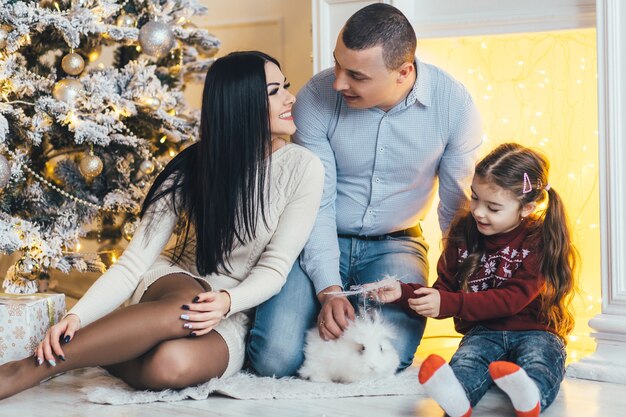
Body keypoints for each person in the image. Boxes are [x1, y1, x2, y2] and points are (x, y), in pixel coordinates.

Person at [0, 51, 324, 400]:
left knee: (169, 366)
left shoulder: (304, 168)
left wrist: (228, 302)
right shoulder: (193, 165)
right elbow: (133, 262)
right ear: (241, 103)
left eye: (285, 87)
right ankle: (27, 370)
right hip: (174, 283)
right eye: (274, 91)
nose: (291, 97)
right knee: (186, 305)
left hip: (233, 307)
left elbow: (276, 268)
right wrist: (77, 316)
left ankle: (111, 347)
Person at [246, 3, 482, 377]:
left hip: (398, 244)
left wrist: (457, 287)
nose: (338, 82)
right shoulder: (316, 98)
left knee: (386, 360)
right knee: (273, 360)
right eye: (337, 64)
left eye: (355, 75)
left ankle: (326, 332)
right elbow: (317, 204)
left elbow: (456, 208)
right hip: (317, 234)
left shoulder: (454, 106)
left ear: (404, 72)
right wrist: (330, 291)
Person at [369, 142, 578, 417]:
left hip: (536, 330)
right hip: (483, 332)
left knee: (541, 361)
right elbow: (444, 293)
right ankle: (457, 400)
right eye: (475, 198)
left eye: (493, 207)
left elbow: (512, 299)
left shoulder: (540, 239)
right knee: (467, 362)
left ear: (527, 207)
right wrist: (403, 293)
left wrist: (451, 302)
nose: (478, 211)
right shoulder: (463, 234)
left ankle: (530, 395)